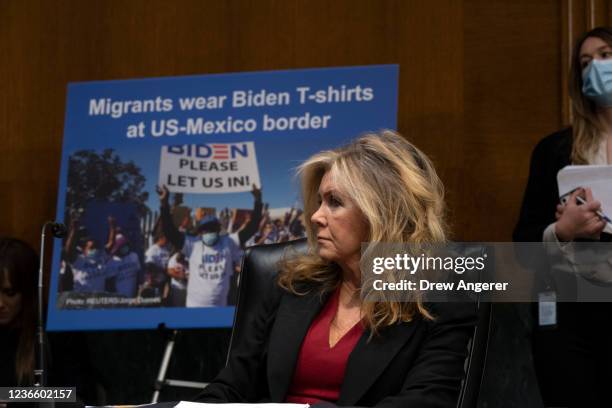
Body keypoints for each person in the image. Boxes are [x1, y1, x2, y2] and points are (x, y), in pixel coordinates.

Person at [196, 131, 477, 407]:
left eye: (335, 202)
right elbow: (231, 387)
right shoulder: (290, 283)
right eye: (320, 202)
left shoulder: (439, 297)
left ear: (381, 213)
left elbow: (427, 400)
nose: (316, 216)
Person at [513, 26, 612, 407]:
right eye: (586, 63)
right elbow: (522, 245)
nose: (597, 68)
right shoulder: (555, 151)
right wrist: (561, 230)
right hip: (570, 318)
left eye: (605, 55)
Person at [158, 185, 263, 307]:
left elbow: (253, 227)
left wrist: (258, 200)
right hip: (194, 307)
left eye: (213, 229)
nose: (209, 232)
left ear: (218, 230)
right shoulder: (192, 245)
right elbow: (169, 232)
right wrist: (164, 203)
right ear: (200, 232)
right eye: (205, 230)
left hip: (220, 307)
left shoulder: (229, 242)